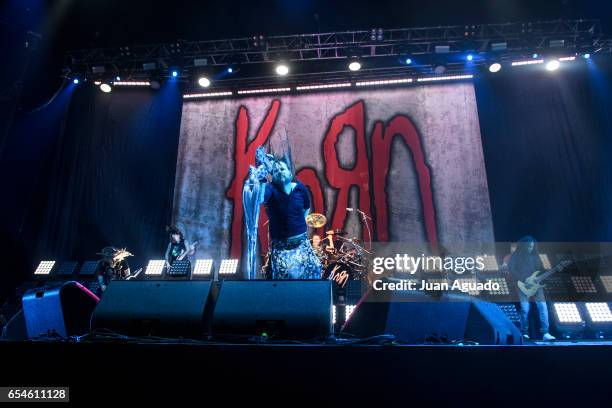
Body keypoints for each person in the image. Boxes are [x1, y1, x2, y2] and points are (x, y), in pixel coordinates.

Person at [259, 158, 321, 279]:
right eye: (276, 171)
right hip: (281, 247)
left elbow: (306, 207)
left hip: (301, 243)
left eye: (282, 169)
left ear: (290, 173)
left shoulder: (300, 188)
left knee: (315, 269)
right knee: (286, 277)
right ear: (273, 176)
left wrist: (299, 225)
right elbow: (261, 199)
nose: (279, 172)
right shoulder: (270, 188)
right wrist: (262, 180)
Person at [508, 236, 556, 341]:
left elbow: (541, 271)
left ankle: (546, 333)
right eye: (528, 246)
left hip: (537, 286)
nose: (530, 248)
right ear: (523, 246)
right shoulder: (515, 256)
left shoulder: (536, 257)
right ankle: (524, 332)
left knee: (543, 307)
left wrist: (549, 274)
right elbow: (511, 270)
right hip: (522, 285)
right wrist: (524, 279)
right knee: (525, 308)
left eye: (532, 246)